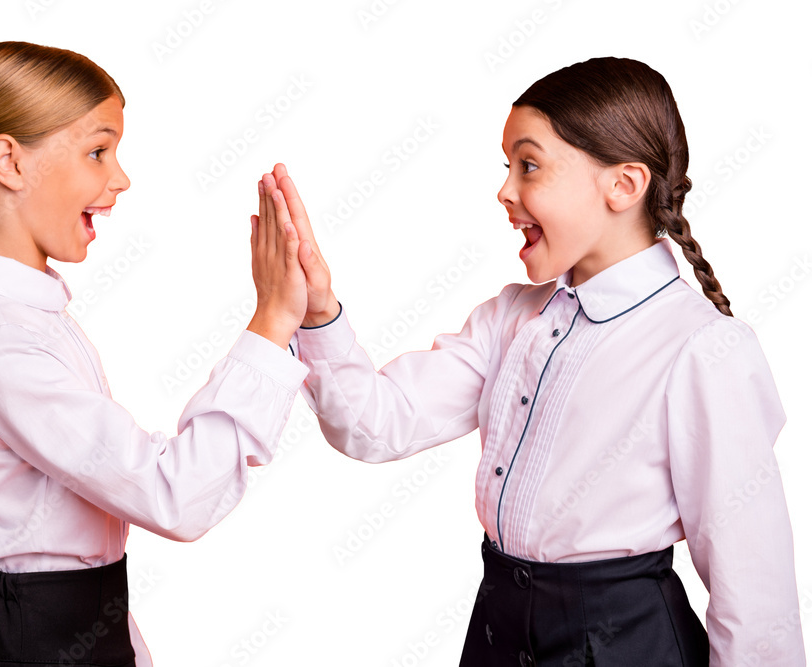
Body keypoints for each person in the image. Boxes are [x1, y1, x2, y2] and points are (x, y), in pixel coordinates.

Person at [263, 57, 806, 666]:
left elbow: (755, 590)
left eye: (530, 166)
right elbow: (373, 426)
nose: (504, 191)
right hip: (497, 635)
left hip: (628, 647)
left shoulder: (702, 349)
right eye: (507, 168)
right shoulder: (510, 318)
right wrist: (315, 310)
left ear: (624, 185)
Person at [0, 41, 309, 667]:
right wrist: (272, 321)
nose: (120, 177)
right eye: (97, 151)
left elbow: (87, 559)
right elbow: (175, 496)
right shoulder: (1, 339)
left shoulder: (25, 319)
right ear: (9, 160)